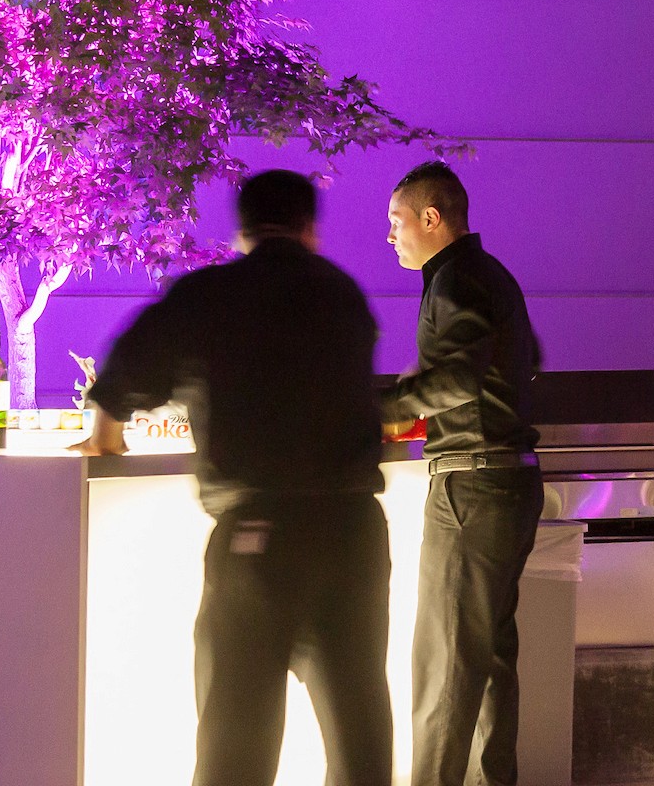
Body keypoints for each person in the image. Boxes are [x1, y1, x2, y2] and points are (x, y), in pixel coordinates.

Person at [78, 169, 390, 786]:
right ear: (310, 228)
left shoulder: (212, 294)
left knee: (236, 741)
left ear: (242, 231)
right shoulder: (344, 294)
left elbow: (129, 367)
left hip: (260, 534)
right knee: (359, 732)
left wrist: (106, 433)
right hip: (354, 532)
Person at [380, 161, 543, 786]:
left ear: (431, 217)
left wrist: (387, 409)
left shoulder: (454, 281)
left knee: (446, 666)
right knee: (491, 659)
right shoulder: (490, 276)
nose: (390, 236)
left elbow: (460, 378)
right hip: (510, 481)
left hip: (472, 486)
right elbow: (521, 359)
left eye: (397, 221)